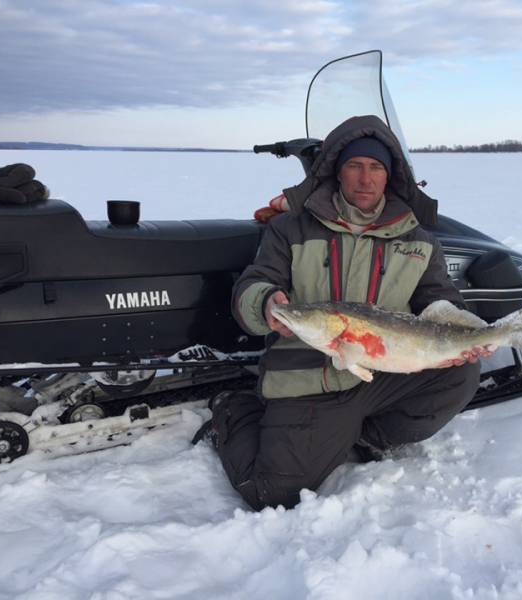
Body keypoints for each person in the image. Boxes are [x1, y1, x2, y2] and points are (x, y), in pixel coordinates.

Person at [207, 115, 488, 510]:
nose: (365, 179)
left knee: (458, 372)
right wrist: (265, 301)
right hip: (309, 375)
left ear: (390, 176)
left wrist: (462, 333)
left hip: (378, 372)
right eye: (355, 166)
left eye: (376, 168)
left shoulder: (418, 241)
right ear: (337, 171)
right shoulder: (292, 229)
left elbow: (439, 302)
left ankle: (363, 436)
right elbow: (255, 281)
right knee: (270, 495)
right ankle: (233, 410)